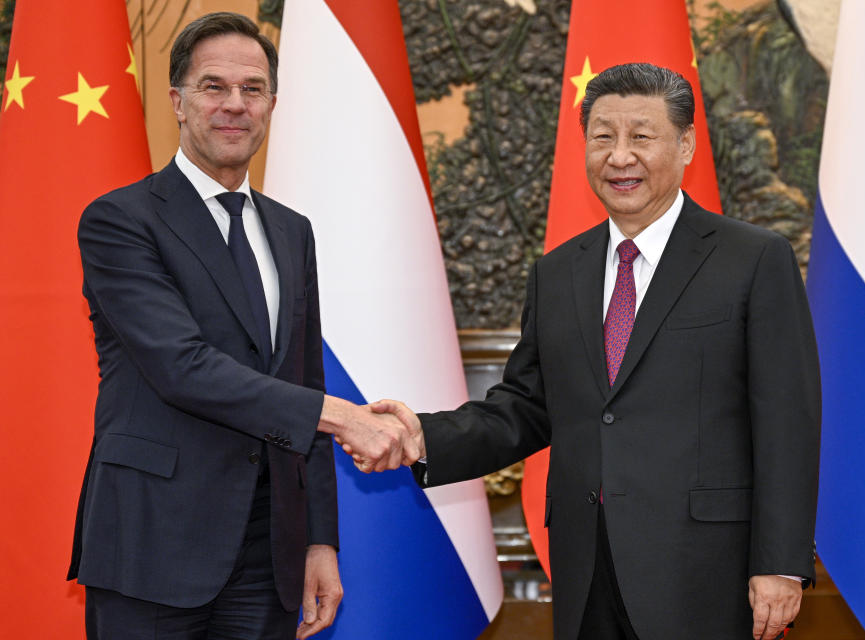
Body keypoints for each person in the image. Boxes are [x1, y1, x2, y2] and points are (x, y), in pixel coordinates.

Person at [364, 63, 821, 640]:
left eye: (641, 136)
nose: (619, 156)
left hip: (708, 570)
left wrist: (779, 564)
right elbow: (526, 408)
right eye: (603, 136)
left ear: (686, 145)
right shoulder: (557, 272)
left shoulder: (753, 259)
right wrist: (421, 437)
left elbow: (787, 422)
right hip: (587, 568)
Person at [67, 12, 417, 640]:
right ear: (176, 101)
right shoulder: (120, 220)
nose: (235, 105)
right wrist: (346, 418)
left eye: (252, 89)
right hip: (152, 545)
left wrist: (318, 541)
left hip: (269, 554)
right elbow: (183, 367)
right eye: (213, 86)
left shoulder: (292, 231)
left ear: (272, 104)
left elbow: (302, 375)